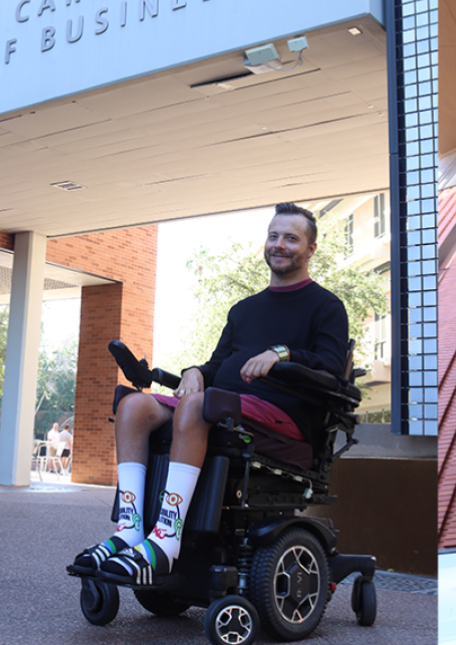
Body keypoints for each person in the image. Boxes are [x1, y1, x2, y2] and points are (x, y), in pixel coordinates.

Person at [72, 202, 349, 586]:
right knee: (134, 405)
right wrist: (196, 373)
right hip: (222, 405)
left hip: (280, 416)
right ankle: (130, 530)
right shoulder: (244, 309)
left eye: (291, 238)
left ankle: (166, 541)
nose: (279, 245)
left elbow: (332, 368)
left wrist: (282, 354)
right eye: (273, 236)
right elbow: (218, 364)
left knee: (196, 407)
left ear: (310, 249)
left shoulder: (326, 306)